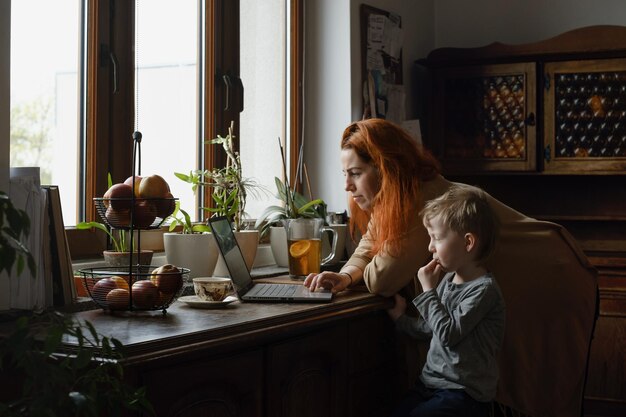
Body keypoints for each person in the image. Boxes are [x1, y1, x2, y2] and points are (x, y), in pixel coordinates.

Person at [303, 118, 597, 417]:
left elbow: (382, 279)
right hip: (535, 272)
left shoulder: (419, 199)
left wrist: (364, 271)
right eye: (344, 174)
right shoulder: (399, 195)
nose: (346, 185)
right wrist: (345, 275)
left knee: (529, 387)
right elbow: (373, 241)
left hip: (547, 274)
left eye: (355, 173)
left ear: (385, 168)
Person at [386, 185, 505, 417]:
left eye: (436, 238)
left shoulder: (484, 290)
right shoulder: (449, 280)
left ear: (468, 243)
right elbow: (430, 327)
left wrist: (428, 290)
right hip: (430, 385)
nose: (430, 247)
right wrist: (400, 318)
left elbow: (448, 335)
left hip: (464, 394)